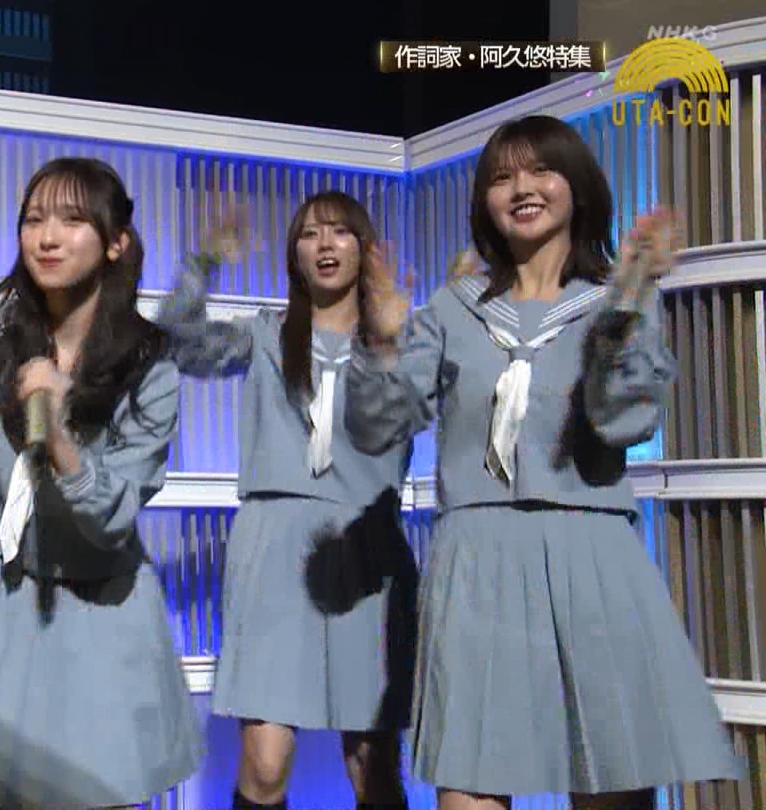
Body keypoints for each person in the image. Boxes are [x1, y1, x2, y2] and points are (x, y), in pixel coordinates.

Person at [344, 114, 742, 810]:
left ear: (577, 187)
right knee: (469, 783)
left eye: (541, 170)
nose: (522, 188)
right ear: (484, 203)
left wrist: (623, 314)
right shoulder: (452, 308)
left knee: (611, 775)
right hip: (476, 560)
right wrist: (380, 344)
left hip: (591, 555)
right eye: (502, 177)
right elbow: (379, 429)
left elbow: (623, 420)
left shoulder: (616, 301)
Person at [0, 157, 203, 809]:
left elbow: (113, 513)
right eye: (33, 219)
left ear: (116, 242)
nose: (47, 237)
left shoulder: (149, 365)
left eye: (72, 220)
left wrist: (59, 439)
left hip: (100, 607)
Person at [156, 191, 414, 810]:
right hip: (274, 547)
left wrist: (393, 343)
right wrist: (204, 261)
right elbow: (174, 339)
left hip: (365, 545)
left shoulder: (399, 337)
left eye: (340, 232)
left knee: (373, 767)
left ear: (365, 248)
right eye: (310, 233)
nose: (325, 244)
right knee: (265, 763)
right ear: (294, 254)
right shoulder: (266, 335)